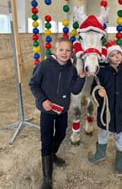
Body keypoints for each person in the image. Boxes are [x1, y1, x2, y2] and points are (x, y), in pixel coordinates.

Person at [29, 37, 86, 189]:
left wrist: (81, 78)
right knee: (46, 138)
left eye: (68, 50)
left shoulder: (71, 69)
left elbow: (74, 89)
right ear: (55, 50)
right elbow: (33, 84)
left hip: (62, 111)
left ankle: (52, 154)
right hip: (47, 110)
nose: (64, 53)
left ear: (72, 53)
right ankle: (47, 177)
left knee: (61, 133)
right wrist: (42, 100)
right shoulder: (45, 65)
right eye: (61, 50)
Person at [88, 40, 122, 176]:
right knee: (103, 134)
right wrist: (98, 93)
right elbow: (93, 88)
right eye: (113, 55)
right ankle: (100, 153)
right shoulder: (102, 73)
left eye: (119, 53)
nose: (117, 57)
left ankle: (119, 160)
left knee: (119, 137)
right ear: (107, 58)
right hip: (105, 113)